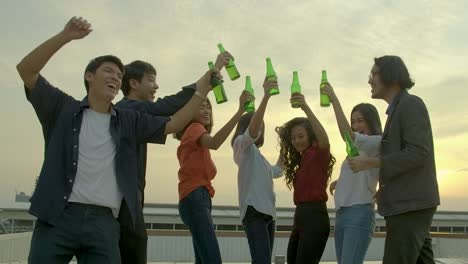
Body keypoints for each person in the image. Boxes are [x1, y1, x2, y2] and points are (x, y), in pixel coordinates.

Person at [18, 16, 214, 264]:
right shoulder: (62, 108)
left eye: (118, 74)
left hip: (104, 223)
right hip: (58, 216)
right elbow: (26, 69)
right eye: (108, 71)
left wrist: (201, 92)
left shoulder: (127, 119)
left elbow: (173, 123)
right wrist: (65, 36)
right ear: (89, 76)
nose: (115, 77)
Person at [115, 53, 232, 264]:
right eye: (151, 80)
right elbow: (171, 106)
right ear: (133, 83)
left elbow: (173, 121)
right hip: (124, 200)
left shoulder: (138, 114)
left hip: (133, 198)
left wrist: (205, 85)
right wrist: (210, 76)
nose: (156, 86)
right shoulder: (128, 109)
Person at [349, 55, 440, 264]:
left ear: (392, 77)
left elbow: (418, 152)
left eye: (374, 74)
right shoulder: (397, 109)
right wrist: (387, 188)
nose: (370, 80)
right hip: (408, 203)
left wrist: (371, 163)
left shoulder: (411, 104)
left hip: (411, 205)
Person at [175, 90, 251, 263]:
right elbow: (216, 142)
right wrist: (240, 111)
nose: (206, 111)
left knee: (203, 260)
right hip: (195, 197)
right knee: (212, 259)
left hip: (194, 198)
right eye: (200, 107)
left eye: (208, 107)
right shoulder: (194, 128)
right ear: (188, 112)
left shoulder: (194, 135)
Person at [322, 83, 382, 264]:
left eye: (360, 120)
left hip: (359, 212)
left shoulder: (376, 141)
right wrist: (340, 182)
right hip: (342, 213)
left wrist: (333, 100)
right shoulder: (358, 148)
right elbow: (363, 174)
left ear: (372, 121)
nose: (355, 125)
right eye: (353, 121)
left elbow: (348, 135)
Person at [277, 93, 336, 264]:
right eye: (293, 138)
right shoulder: (302, 159)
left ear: (311, 135)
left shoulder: (318, 153)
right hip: (300, 216)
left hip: (315, 217)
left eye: (301, 136)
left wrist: (305, 107)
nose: (296, 141)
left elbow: (325, 139)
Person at [231, 77, 283, 264]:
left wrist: (284, 144)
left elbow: (278, 171)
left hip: (269, 214)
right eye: (256, 124)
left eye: (262, 126)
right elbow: (251, 132)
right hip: (254, 212)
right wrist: (266, 96)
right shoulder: (242, 147)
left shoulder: (259, 158)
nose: (259, 128)